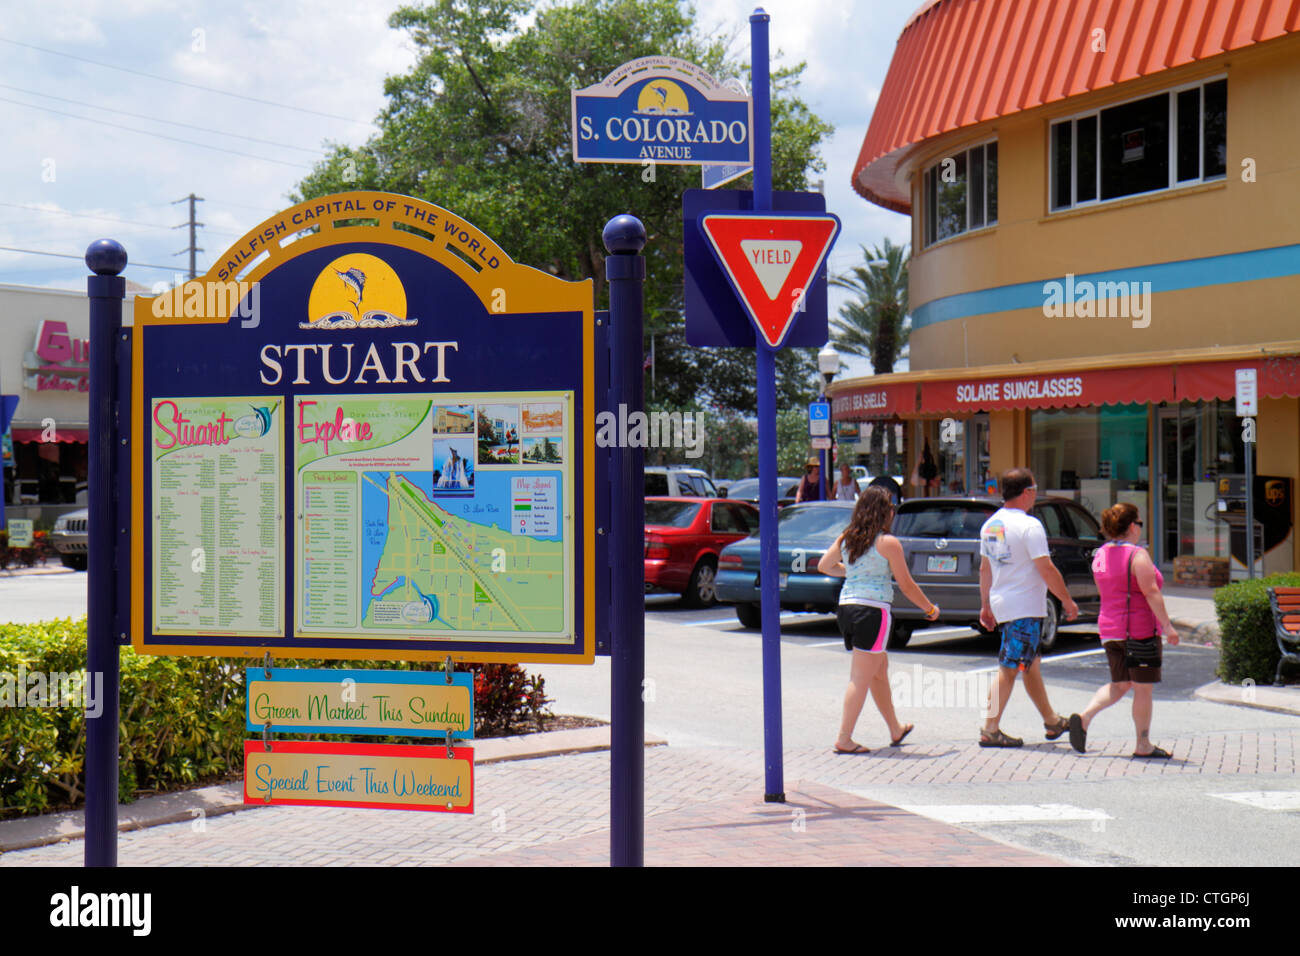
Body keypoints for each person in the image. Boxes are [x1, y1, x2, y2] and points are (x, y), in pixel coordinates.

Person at [818, 486, 942, 753]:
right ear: (883, 512)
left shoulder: (848, 537)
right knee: (861, 678)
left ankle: (895, 729)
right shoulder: (888, 542)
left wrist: (854, 573)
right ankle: (844, 738)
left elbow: (825, 566)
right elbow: (906, 585)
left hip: (847, 609)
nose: (893, 512)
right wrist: (930, 609)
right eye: (891, 508)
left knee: (878, 672)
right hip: (873, 612)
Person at [977, 467, 1080, 747]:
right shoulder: (1029, 525)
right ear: (1026, 492)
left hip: (1004, 603)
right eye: (1034, 488)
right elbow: (1045, 567)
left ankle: (1051, 720)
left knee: (1030, 664)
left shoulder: (992, 525)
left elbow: (985, 569)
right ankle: (990, 729)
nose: (1035, 493)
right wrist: (1067, 600)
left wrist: (985, 604)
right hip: (1024, 605)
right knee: (1010, 666)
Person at [1068, 503, 1180, 758]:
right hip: (1139, 630)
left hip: (1110, 629)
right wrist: (1167, 626)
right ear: (1131, 526)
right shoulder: (1137, 555)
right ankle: (1143, 744)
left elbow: (1107, 589)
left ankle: (1084, 718)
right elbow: (1151, 592)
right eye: (1139, 523)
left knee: (1120, 683)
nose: (1140, 528)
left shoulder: (1100, 555)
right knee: (1143, 687)